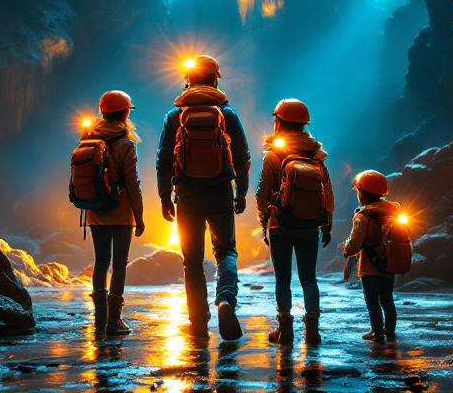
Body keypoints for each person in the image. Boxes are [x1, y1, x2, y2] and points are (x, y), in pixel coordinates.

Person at [156, 54, 251, 340]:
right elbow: (243, 157)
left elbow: (162, 160)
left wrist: (164, 196)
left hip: (186, 195)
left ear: (188, 79)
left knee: (192, 260)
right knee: (226, 252)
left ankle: (198, 322)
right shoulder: (227, 114)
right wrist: (242, 192)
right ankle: (225, 300)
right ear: (215, 79)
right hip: (220, 191)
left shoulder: (175, 116)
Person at [254, 98, 333, 346]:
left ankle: (285, 331)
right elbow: (327, 193)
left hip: (280, 225)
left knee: (283, 278)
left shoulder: (274, 155)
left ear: (278, 122)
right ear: (304, 125)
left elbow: (262, 193)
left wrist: (264, 220)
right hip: (309, 226)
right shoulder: (316, 155)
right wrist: (326, 224)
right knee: (309, 279)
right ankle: (312, 330)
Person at [81, 90, 145, 336]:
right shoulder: (126, 144)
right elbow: (133, 184)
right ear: (125, 112)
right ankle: (114, 321)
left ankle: (99, 318)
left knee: (100, 262)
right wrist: (139, 217)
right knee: (119, 264)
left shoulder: (87, 140)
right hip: (121, 213)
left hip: (95, 211)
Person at [341, 170, 401, 342]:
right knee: (387, 299)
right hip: (390, 264)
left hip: (369, 268)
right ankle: (389, 330)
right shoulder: (393, 212)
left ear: (362, 193)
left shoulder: (363, 215)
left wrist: (346, 248)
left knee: (372, 301)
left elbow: (355, 242)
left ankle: (377, 332)